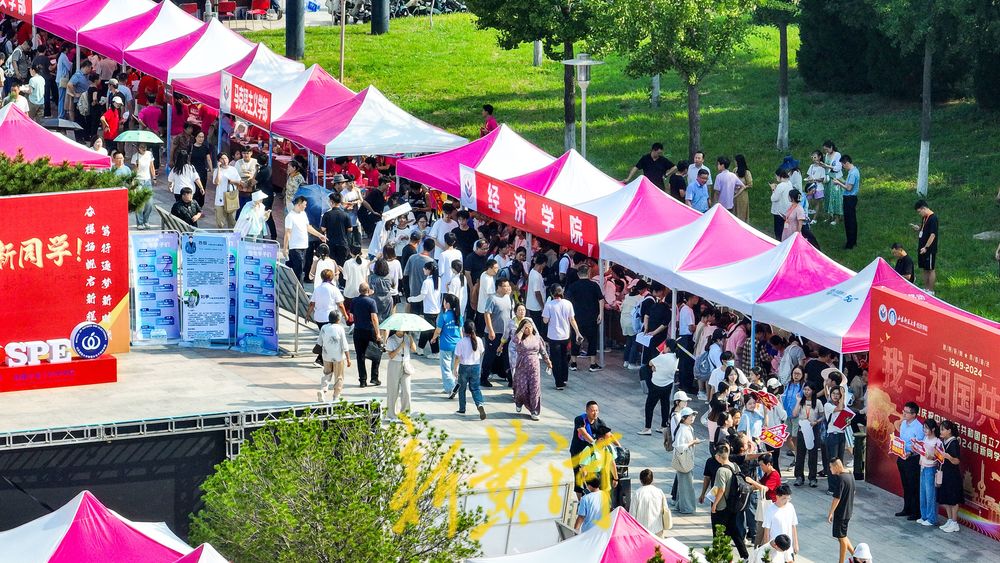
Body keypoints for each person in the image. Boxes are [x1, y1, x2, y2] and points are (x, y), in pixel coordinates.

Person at [710, 443, 750, 560]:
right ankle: (745, 555)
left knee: (718, 532)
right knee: (734, 530)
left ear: (718, 456)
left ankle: (718, 556)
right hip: (734, 504)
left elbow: (721, 489)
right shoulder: (735, 466)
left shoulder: (721, 470)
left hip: (722, 506)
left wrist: (714, 505)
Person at [565, 264, 604, 372]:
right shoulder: (594, 285)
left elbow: (567, 300)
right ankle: (592, 364)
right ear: (589, 273)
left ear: (578, 274)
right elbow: (601, 299)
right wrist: (600, 313)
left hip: (577, 317)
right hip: (592, 316)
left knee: (576, 338)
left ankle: (573, 363)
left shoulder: (573, 286)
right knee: (592, 339)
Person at [542, 284, 582, 390]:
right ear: (562, 292)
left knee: (556, 359)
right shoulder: (568, 303)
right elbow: (572, 319)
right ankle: (564, 378)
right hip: (565, 335)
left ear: (551, 293)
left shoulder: (549, 305)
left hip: (553, 336)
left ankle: (559, 382)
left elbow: (545, 320)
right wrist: (577, 332)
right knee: (564, 357)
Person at [511, 317, 551, 420]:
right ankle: (519, 401)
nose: (528, 329)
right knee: (522, 388)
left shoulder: (537, 338)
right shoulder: (519, 337)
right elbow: (515, 340)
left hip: (534, 367)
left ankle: (534, 410)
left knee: (534, 388)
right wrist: (522, 329)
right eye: (526, 327)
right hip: (522, 366)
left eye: (530, 327)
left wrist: (548, 361)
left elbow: (543, 351)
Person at [308, 267, 348, 364]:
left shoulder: (318, 289)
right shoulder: (334, 289)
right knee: (327, 339)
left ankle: (322, 358)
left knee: (324, 337)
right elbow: (340, 304)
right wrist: (345, 315)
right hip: (330, 317)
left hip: (319, 317)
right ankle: (321, 359)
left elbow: (312, 304)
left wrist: (308, 314)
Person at [284, 196, 327, 283]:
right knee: (298, 269)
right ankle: (299, 288)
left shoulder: (303, 214)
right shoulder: (290, 216)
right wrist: (285, 248)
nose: (305, 206)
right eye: (304, 204)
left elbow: (308, 227)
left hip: (304, 245)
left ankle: (298, 287)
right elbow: (287, 233)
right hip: (295, 246)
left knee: (301, 268)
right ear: (299, 204)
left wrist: (319, 235)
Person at [639, 339, 678, 435]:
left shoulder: (662, 357)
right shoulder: (676, 357)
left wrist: (654, 366)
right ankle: (663, 426)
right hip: (668, 384)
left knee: (649, 406)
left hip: (656, 384)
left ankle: (647, 428)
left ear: (668, 347)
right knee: (665, 405)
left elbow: (650, 363)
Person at [481, 277, 514, 386]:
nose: (507, 288)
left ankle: (510, 378)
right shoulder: (492, 298)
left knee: (507, 356)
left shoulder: (508, 297)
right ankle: (484, 378)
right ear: (498, 287)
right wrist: (491, 330)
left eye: (508, 286)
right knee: (489, 356)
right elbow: (487, 314)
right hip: (494, 333)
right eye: (505, 286)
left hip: (506, 333)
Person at [570, 401, 606, 499]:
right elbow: (583, 433)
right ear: (586, 411)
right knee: (578, 476)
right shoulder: (580, 419)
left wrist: (617, 445)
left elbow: (607, 435)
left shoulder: (600, 423)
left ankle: (592, 497)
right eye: (592, 411)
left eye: (596, 410)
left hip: (591, 455)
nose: (595, 413)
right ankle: (580, 501)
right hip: (578, 453)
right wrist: (594, 443)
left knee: (592, 476)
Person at [350, 282, 382, 387]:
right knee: (376, 353)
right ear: (368, 290)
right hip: (370, 331)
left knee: (360, 356)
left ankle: (362, 380)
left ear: (359, 291)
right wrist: (378, 333)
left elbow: (351, 315)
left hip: (358, 330)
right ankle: (374, 377)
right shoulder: (371, 302)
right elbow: (374, 318)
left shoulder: (354, 301)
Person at [408, 262, 442, 358]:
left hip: (429, 310)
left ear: (429, 270)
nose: (423, 270)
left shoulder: (427, 282)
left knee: (430, 331)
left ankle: (435, 352)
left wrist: (411, 299)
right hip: (436, 308)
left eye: (425, 268)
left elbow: (422, 296)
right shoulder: (438, 280)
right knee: (426, 329)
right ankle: (420, 348)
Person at [453, 321, 487, 420]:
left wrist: (455, 369)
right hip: (476, 367)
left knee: (462, 389)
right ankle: (479, 404)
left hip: (464, 367)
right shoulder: (479, 340)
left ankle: (462, 409)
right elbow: (482, 352)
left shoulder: (461, 342)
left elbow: (457, 357)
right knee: (475, 388)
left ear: (464, 330)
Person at [432, 293, 463, 396]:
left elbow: (438, 330)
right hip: (457, 345)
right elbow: (460, 331)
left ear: (448, 304)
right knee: (454, 367)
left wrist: (433, 338)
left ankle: (451, 388)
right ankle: (449, 387)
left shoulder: (443, 316)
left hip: (446, 345)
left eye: (444, 301)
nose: (443, 303)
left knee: (446, 368)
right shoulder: (459, 316)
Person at [896, 400, 923, 521]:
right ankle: (906, 508)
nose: (904, 414)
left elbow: (919, 446)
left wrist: (911, 452)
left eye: (907, 412)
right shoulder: (903, 424)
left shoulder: (919, 428)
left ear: (914, 414)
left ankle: (916, 511)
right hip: (902, 457)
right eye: (904, 411)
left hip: (912, 459)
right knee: (905, 485)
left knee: (913, 486)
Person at [316, 310, 350, 402]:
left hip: (326, 356)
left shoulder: (324, 327)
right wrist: (348, 358)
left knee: (327, 374)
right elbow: (344, 344)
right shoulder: (340, 328)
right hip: (338, 357)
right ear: (338, 319)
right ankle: (336, 396)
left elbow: (319, 342)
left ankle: (323, 390)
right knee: (339, 376)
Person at [672, 407, 701, 515]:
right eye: (690, 416)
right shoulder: (683, 429)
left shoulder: (687, 427)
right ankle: (687, 507)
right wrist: (693, 442)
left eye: (693, 415)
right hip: (684, 460)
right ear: (684, 418)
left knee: (684, 485)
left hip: (686, 459)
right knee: (686, 486)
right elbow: (679, 446)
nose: (692, 417)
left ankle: (681, 505)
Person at [384, 328, 417, 422]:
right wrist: (400, 346)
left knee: (406, 391)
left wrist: (410, 338)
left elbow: (414, 349)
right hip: (394, 364)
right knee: (393, 391)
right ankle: (391, 415)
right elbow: (391, 356)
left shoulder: (407, 337)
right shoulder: (391, 339)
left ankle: (405, 414)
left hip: (406, 365)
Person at [793, 383, 823, 487]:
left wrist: (816, 421)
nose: (806, 392)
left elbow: (823, 416)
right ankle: (799, 476)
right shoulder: (801, 402)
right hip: (802, 429)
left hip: (812, 428)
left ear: (813, 391)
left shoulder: (818, 402)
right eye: (805, 389)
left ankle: (812, 478)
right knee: (800, 454)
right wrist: (798, 401)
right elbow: (794, 414)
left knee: (812, 454)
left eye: (808, 390)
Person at [915, 418, 942, 527]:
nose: (924, 430)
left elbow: (940, 458)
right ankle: (924, 516)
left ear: (933, 429)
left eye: (927, 428)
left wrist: (932, 457)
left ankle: (932, 518)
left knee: (930, 494)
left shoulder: (937, 441)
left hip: (931, 468)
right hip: (923, 466)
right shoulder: (925, 438)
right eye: (924, 428)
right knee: (923, 493)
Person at [827, 459, 856, 563]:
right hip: (848, 510)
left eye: (831, 467)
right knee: (843, 535)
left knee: (841, 538)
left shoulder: (840, 478)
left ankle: (841, 561)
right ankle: (856, 556)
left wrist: (830, 513)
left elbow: (836, 498)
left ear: (836, 467)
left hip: (841, 513)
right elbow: (854, 491)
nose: (830, 469)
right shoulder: (850, 474)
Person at [937, 420, 963, 533]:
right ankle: (949, 520)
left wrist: (948, 457)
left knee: (953, 499)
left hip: (952, 475)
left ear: (949, 431)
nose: (941, 432)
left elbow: (957, 461)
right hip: (944, 473)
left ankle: (954, 522)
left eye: (943, 429)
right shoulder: (944, 442)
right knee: (946, 498)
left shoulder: (954, 443)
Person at [762, 485, 798, 561]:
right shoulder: (770, 509)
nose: (786, 501)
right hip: (776, 547)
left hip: (788, 547)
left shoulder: (790, 507)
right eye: (784, 498)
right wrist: (766, 550)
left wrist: (796, 544)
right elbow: (766, 532)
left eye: (788, 498)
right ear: (777, 496)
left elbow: (793, 526)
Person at [630, 469, 671, 536]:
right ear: (652, 479)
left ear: (640, 480)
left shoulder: (637, 493)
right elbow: (665, 509)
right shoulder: (659, 491)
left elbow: (632, 514)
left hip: (641, 530)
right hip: (657, 528)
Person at [911, 199, 939, 293]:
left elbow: (932, 235)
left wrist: (926, 247)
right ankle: (926, 288)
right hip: (922, 247)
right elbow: (925, 230)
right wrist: (918, 228)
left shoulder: (933, 218)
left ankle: (931, 290)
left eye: (919, 212)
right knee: (924, 268)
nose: (919, 214)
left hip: (929, 249)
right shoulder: (924, 218)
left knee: (930, 269)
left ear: (923, 208)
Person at [834, 154, 860, 249]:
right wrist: (841, 181)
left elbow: (849, 188)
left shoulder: (852, 173)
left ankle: (850, 243)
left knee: (849, 222)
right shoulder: (854, 171)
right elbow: (848, 183)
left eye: (843, 165)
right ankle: (853, 241)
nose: (843, 167)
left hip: (849, 199)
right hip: (851, 198)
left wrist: (838, 183)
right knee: (851, 220)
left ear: (847, 163)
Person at [321, 192, 353, 266]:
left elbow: (323, 229)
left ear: (331, 202)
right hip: (343, 243)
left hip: (331, 243)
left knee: (332, 264)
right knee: (342, 264)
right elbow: (350, 229)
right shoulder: (345, 214)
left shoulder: (327, 214)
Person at [213, 153, 243, 229]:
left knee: (232, 221)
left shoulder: (233, 169)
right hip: (220, 198)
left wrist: (232, 181)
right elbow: (216, 182)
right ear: (219, 160)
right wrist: (219, 168)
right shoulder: (216, 171)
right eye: (222, 158)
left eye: (225, 158)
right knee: (220, 223)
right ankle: (221, 235)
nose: (224, 160)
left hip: (231, 197)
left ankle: (232, 236)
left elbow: (239, 182)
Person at [820, 140, 844, 225]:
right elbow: (827, 168)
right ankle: (830, 216)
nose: (826, 151)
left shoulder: (837, 155)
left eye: (827, 149)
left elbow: (838, 168)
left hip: (836, 179)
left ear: (831, 147)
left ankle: (837, 218)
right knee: (828, 197)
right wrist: (822, 165)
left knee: (835, 198)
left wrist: (826, 166)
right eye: (825, 150)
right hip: (828, 179)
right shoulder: (827, 155)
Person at [770, 167, 793, 241]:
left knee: (778, 230)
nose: (776, 177)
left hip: (779, 212)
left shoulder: (781, 185)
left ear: (779, 176)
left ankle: (778, 242)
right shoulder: (789, 183)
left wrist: (773, 189)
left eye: (776, 176)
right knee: (785, 229)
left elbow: (774, 198)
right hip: (786, 210)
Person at [526, 254, 547, 330]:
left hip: (532, 305)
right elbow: (537, 293)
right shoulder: (536, 276)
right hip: (536, 307)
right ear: (543, 263)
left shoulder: (533, 271)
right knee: (537, 328)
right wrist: (542, 307)